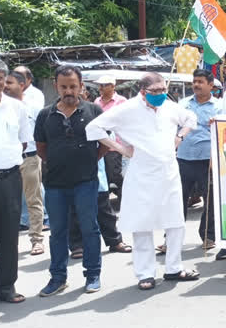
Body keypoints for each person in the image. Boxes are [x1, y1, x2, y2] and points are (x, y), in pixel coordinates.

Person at [86, 72, 199, 290]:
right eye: (155, 92)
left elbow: (191, 119)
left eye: (163, 90)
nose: (160, 95)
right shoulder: (127, 109)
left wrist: (180, 137)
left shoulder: (169, 106)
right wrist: (121, 148)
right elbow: (93, 128)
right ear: (142, 92)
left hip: (169, 172)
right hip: (141, 173)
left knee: (176, 222)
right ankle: (145, 273)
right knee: (142, 224)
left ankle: (174, 268)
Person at [34, 65, 105, 296]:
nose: (69, 91)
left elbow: (105, 143)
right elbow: (42, 148)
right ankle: (58, 277)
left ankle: (93, 274)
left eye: (73, 86)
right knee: (57, 232)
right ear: (56, 86)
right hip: (55, 184)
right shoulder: (45, 115)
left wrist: (88, 160)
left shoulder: (94, 111)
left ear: (81, 86)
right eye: (64, 86)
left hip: (86, 181)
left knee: (90, 228)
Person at [0, 58, 31, 304]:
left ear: (5, 81)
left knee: (8, 234)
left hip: (9, 178)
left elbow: (23, 141)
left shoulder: (17, 108)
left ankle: (5, 288)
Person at [177, 69, 222, 249]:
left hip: (207, 160)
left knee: (209, 199)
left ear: (211, 85)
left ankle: (208, 236)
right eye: (194, 81)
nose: (196, 85)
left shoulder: (220, 107)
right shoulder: (182, 104)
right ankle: (171, 239)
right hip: (183, 158)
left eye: (200, 81)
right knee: (177, 199)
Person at [4, 71, 47, 255]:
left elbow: (43, 135)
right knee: (5, 204)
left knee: (33, 200)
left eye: (9, 82)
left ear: (21, 85)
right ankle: (4, 242)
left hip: (29, 158)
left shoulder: (34, 107)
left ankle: (36, 240)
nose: (4, 86)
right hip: (6, 161)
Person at [69, 158, 131, 255]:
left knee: (103, 207)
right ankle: (77, 245)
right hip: (71, 164)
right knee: (74, 208)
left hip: (94, 159)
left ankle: (114, 241)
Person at [94, 75, 127, 204]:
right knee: (103, 175)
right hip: (100, 143)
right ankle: (104, 203)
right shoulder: (97, 101)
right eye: (100, 85)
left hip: (115, 144)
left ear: (113, 86)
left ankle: (126, 196)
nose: (100, 88)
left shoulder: (121, 101)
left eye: (104, 85)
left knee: (114, 173)